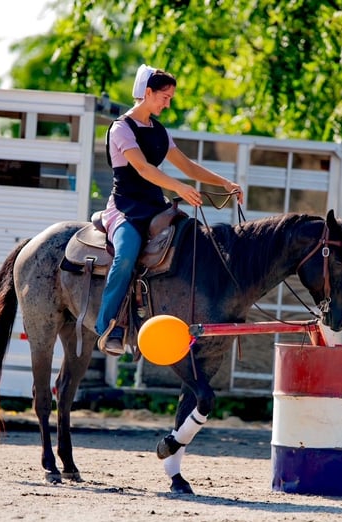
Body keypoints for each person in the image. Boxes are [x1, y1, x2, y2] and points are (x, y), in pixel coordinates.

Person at [96, 64, 244, 355]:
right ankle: (108, 327)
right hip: (126, 208)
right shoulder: (120, 129)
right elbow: (143, 168)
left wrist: (224, 183)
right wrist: (179, 188)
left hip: (155, 206)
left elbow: (187, 166)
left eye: (170, 98)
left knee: (190, 243)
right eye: (165, 97)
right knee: (126, 256)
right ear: (147, 93)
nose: (168, 103)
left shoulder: (159, 131)